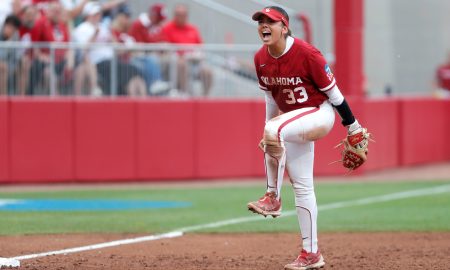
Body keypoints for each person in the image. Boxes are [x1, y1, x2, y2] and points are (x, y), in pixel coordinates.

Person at [246, 6, 368, 270]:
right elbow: (270, 99)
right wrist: (271, 131)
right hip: (291, 122)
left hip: (319, 114)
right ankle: (311, 253)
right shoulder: (260, 58)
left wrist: (353, 126)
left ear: (285, 27)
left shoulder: (307, 53)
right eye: (260, 22)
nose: (264, 26)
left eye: (271, 22)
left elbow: (334, 95)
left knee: (273, 131)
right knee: (302, 187)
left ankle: (272, 197)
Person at [161, 3, 213, 97]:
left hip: (193, 62)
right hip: (174, 62)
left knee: (207, 72)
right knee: (182, 64)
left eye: (183, 15)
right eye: (178, 14)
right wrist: (181, 56)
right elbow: (166, 48)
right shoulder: (167, 28)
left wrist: (196, 55)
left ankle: (205, 97)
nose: (180, 17)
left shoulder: (193, 29)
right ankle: (186, 95)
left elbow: (200, 47)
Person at [0, 14, 21, 95]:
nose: (11, 29)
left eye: (14, 28)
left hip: (10, 64)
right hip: (2, 65)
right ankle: (3, 98)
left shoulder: (15, 36)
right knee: (3, 67)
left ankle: (21, 97)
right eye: (9, 26)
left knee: (24, 64)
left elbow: (16, 55)